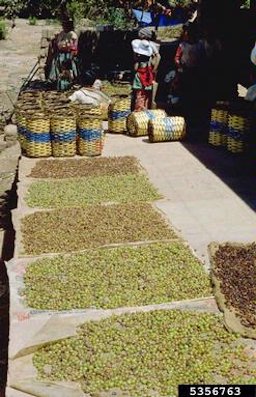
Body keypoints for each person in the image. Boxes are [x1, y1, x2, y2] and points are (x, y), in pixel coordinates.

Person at [48, 18, 78, 91]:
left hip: (67, 54)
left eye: (65, 25)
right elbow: (57, 43)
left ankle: (67, 84)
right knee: (56, 67)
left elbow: (74, 47)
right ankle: (57, 83)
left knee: (67, 69)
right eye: (63, 25)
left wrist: (71, 56)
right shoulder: (61, 33)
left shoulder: (73, 35)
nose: (64, 26)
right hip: (60, 53)